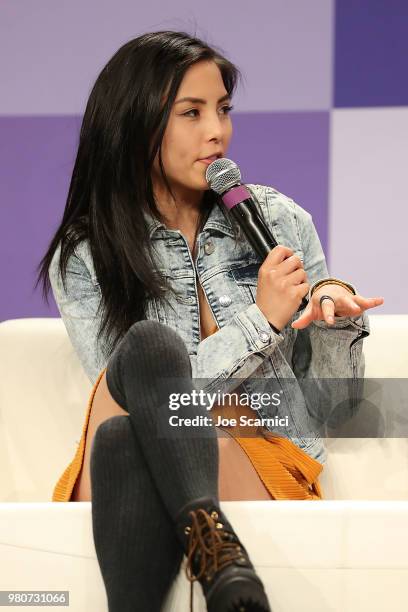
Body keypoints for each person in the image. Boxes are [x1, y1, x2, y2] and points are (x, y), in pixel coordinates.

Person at [35, 30, 384, 612]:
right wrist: (259, 321)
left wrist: (331, 324)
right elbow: (135, 392)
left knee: (126, 442)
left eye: (222, 110)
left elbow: (336, 410)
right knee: (143, 362)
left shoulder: (278, 220)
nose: (216, 131)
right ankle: (215, 549)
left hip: (254, 454)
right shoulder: (88, 252)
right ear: (136, 121)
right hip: (143, 434)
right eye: (190, 113)